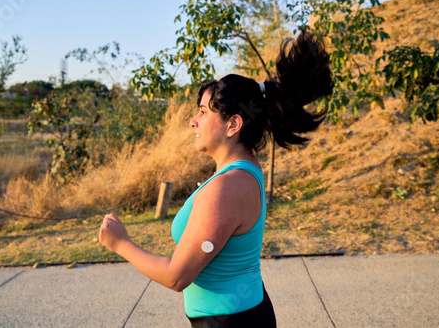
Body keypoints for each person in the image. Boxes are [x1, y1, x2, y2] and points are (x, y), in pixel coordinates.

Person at [99, 30, 333, 327]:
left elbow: (177, 276)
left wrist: (120, 244)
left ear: (233, 124)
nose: (192, 121)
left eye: (202, 111)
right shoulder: (242, 172)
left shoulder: (227, 186)